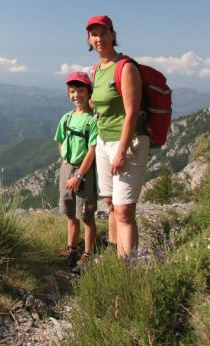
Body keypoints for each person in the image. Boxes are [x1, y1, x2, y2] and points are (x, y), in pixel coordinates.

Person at [86, 14, 150, 258]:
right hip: (103, 142)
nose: (99, 38)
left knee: (124, 211)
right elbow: (99, 105)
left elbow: (132, 113)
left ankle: (128, 267)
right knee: (111, 204)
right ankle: (116, 255)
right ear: (89, 39)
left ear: (113, 35)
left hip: (129, 143)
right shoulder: (99, 70)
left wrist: (121, 152)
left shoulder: (126, 67)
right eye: (94, 34)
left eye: (104, 33)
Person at [54, 71, 98, 273]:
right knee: (70, 212)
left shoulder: (92, 120)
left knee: (86, 215)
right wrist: (66, 162)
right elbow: (61, 140)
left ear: (89, 92)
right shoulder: (67, 118)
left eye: (81, 90)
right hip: (67, 166)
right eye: (72, 91)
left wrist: (79, 175)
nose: (76, 95)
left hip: (84, 169)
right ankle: (72, 249)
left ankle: (88, 254)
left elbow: (93, 150)